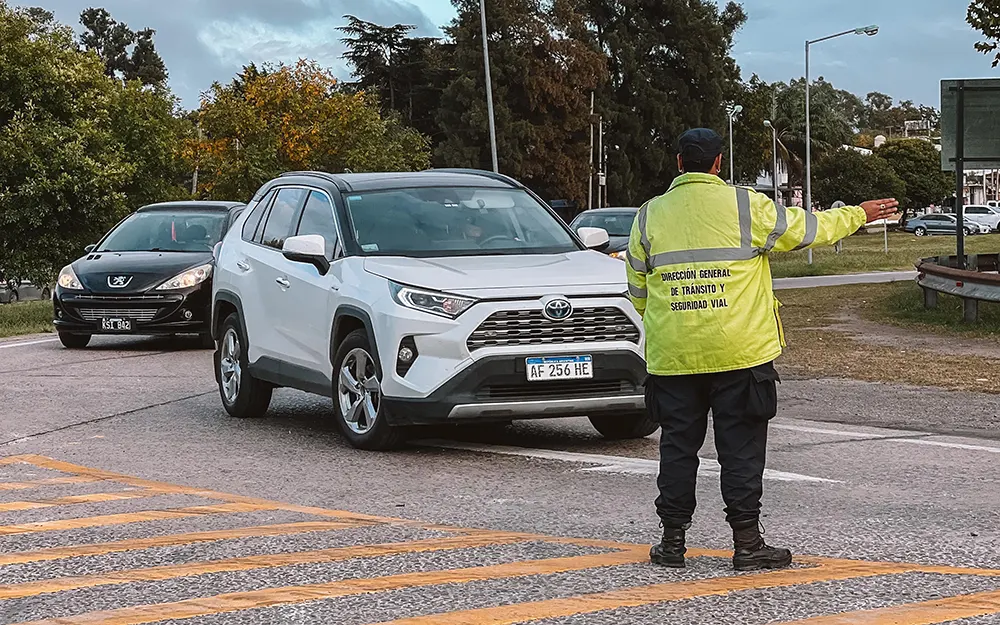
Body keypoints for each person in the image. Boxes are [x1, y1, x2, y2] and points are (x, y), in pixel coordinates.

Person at [626, 128, 898, 572]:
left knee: (677, 447)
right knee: (741, 450)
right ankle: (747, 544)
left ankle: (672, 541)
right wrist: (858, 214)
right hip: (740, 354)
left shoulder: (647, 217)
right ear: (718, 164)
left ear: (679, 163)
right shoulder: (745, 205)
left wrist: (678, 312)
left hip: (673, 356)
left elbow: (638, 290)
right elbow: (810, 229)